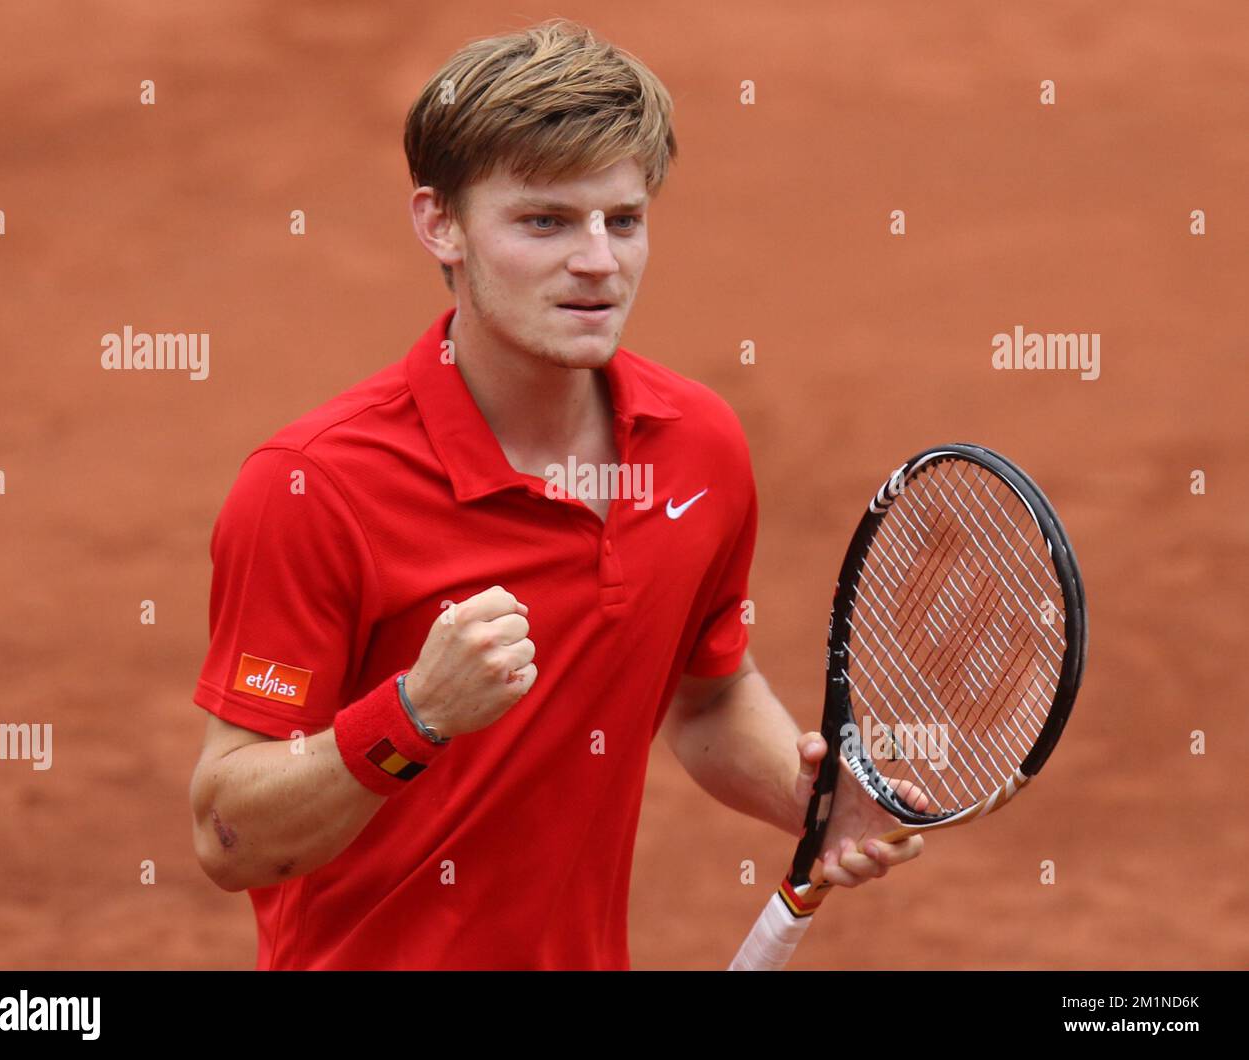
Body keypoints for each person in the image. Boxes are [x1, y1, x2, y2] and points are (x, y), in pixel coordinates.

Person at [188, 17, 925, 971]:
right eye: (544, 221)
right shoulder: (314, 488)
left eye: (622, 220)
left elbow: (706, 698)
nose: (598, 261)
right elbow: (225, 834)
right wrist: (413, 714)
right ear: (439, 224)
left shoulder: (698, 447)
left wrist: (810, 797)